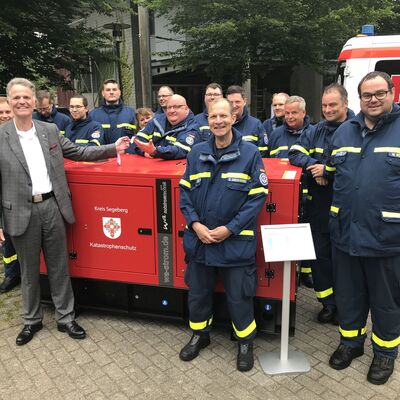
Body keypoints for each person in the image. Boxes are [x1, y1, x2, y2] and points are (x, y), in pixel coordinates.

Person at [0, 78, 130, 346]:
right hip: (20, 211)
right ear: (10, 103)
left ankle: (65, 317)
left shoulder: (49, 130)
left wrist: (111, 148)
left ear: (34, 102)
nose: (22, 102)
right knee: (29, 271)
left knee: (59, 266)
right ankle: (31, 320)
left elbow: (78, 152)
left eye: (26, 97)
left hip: (52, 207)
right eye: (16, 98)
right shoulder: (1, 137)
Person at [179, 98, 268, 372]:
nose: (218, 121)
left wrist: (230, 228)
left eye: (223, 116)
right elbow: (184, 193)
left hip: (235, 243)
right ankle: (199, 335)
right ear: (207, 120)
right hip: (201, 241)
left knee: (239, 297)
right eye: (213, 116)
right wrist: (195, 225)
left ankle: (244, 342)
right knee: (198, 294)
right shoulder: (197, 153)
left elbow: (257, 197)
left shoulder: (250, 153)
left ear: (233, 117)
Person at [326, 71, 400, 385]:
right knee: (349, 295)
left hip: (387, 237)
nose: (373, 99)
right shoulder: (343, 132)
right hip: (345, 234)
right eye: (367, 95)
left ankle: (384, 353)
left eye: (379, 93)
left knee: (386, 300)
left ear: (392, 92)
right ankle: (351, 343)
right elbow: (332, 174)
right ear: (359, 99)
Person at [289, 84, 354, 323]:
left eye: (332, 105)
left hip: (345, 206)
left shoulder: (356, 130)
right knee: (320, 257)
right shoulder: (315, 130)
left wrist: (328, 169)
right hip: (319, 206)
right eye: (324, 105)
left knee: (344, 261)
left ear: (345, 104)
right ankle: (327, 303)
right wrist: (313, 166)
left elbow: (357, 166)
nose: (327, 109)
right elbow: (294, 152)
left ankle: (345, 306)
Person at [129, 94, 200, 159]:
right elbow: (137, 140)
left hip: (177, 171)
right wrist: (145, 152)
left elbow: (180, 150)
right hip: (150, 170)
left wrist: (155, 151)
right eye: (169, 107)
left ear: (186, 108)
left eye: (176, 107)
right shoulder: (156, 121)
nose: (171, 110)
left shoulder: (193, 127)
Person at [0, 97, 21, 293]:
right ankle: (11, 274)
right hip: (4, 201)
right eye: (1, 113)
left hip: (23, 199)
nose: (5, 115)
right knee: (8, 244)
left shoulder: (23, 135)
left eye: (8, 112)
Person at [226, 85, 268, 157]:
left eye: (237, 102)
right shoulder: (221, 124)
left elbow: (263, 153)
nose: (234, 105)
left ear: (244, 101)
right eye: (231, 102)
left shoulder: (255, 124)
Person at [89, 79, 136, 144]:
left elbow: (137, 137)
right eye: (108, 90)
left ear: (119, 92)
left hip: (126, 153)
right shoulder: (93, 115)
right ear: (103, 93)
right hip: (102, 154)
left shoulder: (131, 113)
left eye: (114, 89)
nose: (111, 92)